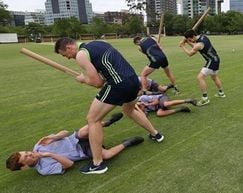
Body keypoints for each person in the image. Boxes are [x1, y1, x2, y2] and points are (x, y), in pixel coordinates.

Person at [54, 38, 164, 174]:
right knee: (129, 110)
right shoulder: (98, 43)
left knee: (93, 119)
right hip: (133, 80)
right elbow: (108, 70)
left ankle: (97, 163)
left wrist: (84, 80)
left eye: (65, 55)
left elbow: (97, 83)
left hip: (118, 84)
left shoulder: (81, 55)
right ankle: (156, 134)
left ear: (69, 47)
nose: (68, 58)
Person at [6, 113, 144, 176]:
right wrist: (49, 154)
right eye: (27, 157)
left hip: (75, 138)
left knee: (86, 129)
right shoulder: (44, 169)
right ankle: (128, 143)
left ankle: (107, 123)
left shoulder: (39, 145)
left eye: (26, 152)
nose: (30, 153)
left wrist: (54, 137)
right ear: (24, 167)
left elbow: (65, 133)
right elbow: (69, 165)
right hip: (83, 151)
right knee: (105, 155)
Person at [179, 29, 226, 106]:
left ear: (193, 36)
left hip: (211, 61)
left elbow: (190, 53)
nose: (190, 40)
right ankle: (221, 93)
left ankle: (205, 99)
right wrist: (187, 42)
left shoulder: (198, 45)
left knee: (200, 77)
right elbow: (196, 46)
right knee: (214, 77)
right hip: (216, 59)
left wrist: (182, 46)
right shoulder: (203, 36)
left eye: (190, 39)